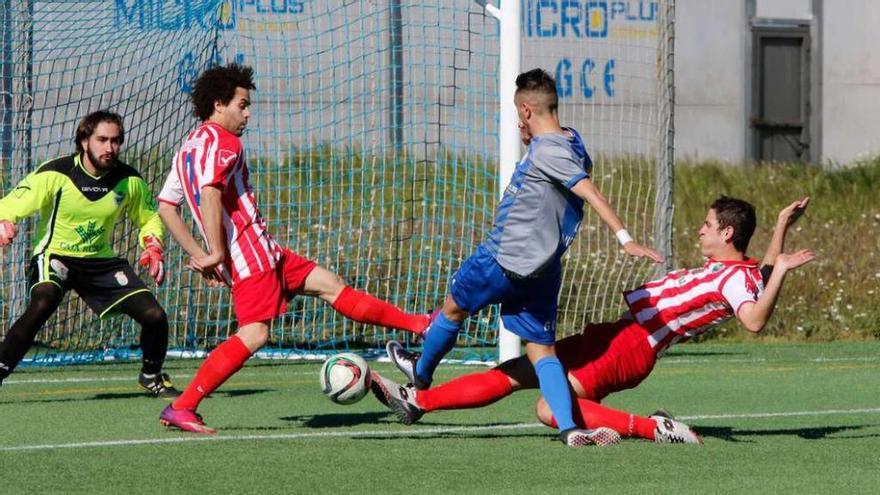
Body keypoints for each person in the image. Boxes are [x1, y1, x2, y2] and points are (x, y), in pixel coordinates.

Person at [373, 196, 814, 445]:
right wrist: (780, 227)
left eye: (707, 225)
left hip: (633, 347)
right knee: (515, 372)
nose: (700, 230)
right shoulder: (740, 272)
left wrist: (785, 271)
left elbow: (754, 318)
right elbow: (762, 275)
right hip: (618, 334)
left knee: (549, 408)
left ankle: (654, 427)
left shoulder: (736, 280)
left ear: (727, 234)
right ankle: (419, 402)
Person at [384, 68, 663, 447]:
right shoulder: (572, 141)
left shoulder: (549, 151)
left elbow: (590, 192)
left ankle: (421, 373)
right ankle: (569, 429)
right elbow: (580, 171)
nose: (519, 121)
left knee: (452, 310)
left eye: (520, 114)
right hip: (542, 271)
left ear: (528, 110)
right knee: (542, 351)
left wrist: (625, 238)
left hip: (501, 259)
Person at [155, 63, 430, 434]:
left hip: (265, 252)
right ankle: (183, 405)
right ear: (219, 104)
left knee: (331, 284)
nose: (247, 113)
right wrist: (216, 254)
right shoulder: (225, 141)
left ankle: (418, 325)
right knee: (255, 334)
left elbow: (166, 207)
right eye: (242, 104)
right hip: (251, 255)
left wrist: (204, 255)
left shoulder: (188, 147)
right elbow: (210, 193)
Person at [0, 110, 180, 398]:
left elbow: (148, 217)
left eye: (116, 141)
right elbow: (10, 204)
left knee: (155, 315)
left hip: (100, 261)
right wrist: (5, 220)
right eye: (102, 140)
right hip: (55, 256)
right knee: (43, 300)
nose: (110, 148)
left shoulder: (129, 180)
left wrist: (153, 245)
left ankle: (151, 376)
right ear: (84, 141)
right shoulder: (56, 173)